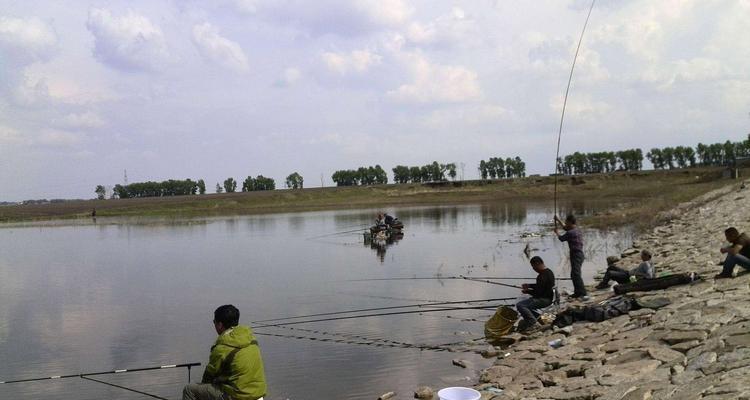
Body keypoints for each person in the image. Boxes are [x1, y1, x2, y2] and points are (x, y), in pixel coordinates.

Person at [183, 305, 267, 400]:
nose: (214, 324)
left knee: (189, 389)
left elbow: (208, 376)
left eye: (214, 322)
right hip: (258, 393)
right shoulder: (251, 338)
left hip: (238, 397)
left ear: (220, 324)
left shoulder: (221, 347)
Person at [517, 256, 555, 333]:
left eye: (533, 266)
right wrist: (529, 285)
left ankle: (533, 324)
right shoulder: (549, 272)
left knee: (520, 305)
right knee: (527, 305)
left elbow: (538, 293)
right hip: (550, 298)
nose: (533, 269)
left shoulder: (541, 276)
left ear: (537, 264)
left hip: (544, 300)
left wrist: (527, 291)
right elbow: (540, 286)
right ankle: (539, 319)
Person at [554, 214, 587, 300]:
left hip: (576, 254)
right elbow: (565, 227)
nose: (565, 223)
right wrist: (558, 220)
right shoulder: (576, 229)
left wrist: (557, 232)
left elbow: (561, 238)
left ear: (569, 222)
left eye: (566, 222)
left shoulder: (571, 232)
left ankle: (582, 293)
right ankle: (577, 292)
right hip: (578, 254)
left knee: (576, 274)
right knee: (574, 274)